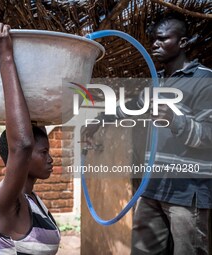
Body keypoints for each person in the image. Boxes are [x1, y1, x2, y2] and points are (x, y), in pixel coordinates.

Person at [84, 16, 212, 254]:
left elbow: (209, 137)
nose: (155, 44)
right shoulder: (157, 83)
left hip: (186, 193)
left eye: (163, 39)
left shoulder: (205, 80)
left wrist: (175, 120)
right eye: (154, 39)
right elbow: (132, 107)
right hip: (151, 187)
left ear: (183, 42)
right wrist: (99, 119)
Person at [0, 23, 60, 254]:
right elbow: (22, 145)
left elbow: (31, 125)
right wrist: (5, 57)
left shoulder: (33, 200)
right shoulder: (5, 202)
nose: (51, 159)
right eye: (43, 153)